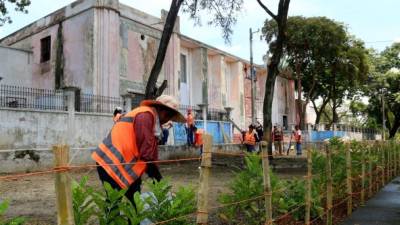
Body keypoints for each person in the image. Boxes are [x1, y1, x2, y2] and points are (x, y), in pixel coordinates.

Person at [92, 95, 186, 208]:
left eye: (171, 116)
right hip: (110, 163)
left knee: (135, 203)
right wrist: (160, 183)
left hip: (123, 166)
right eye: (168, 114)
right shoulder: (145, 116)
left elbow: (149, 155)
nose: (168, 118)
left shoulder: (151, 120)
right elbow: (147, 154)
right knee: (114, 204)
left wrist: (158, 181)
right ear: (160, 109)